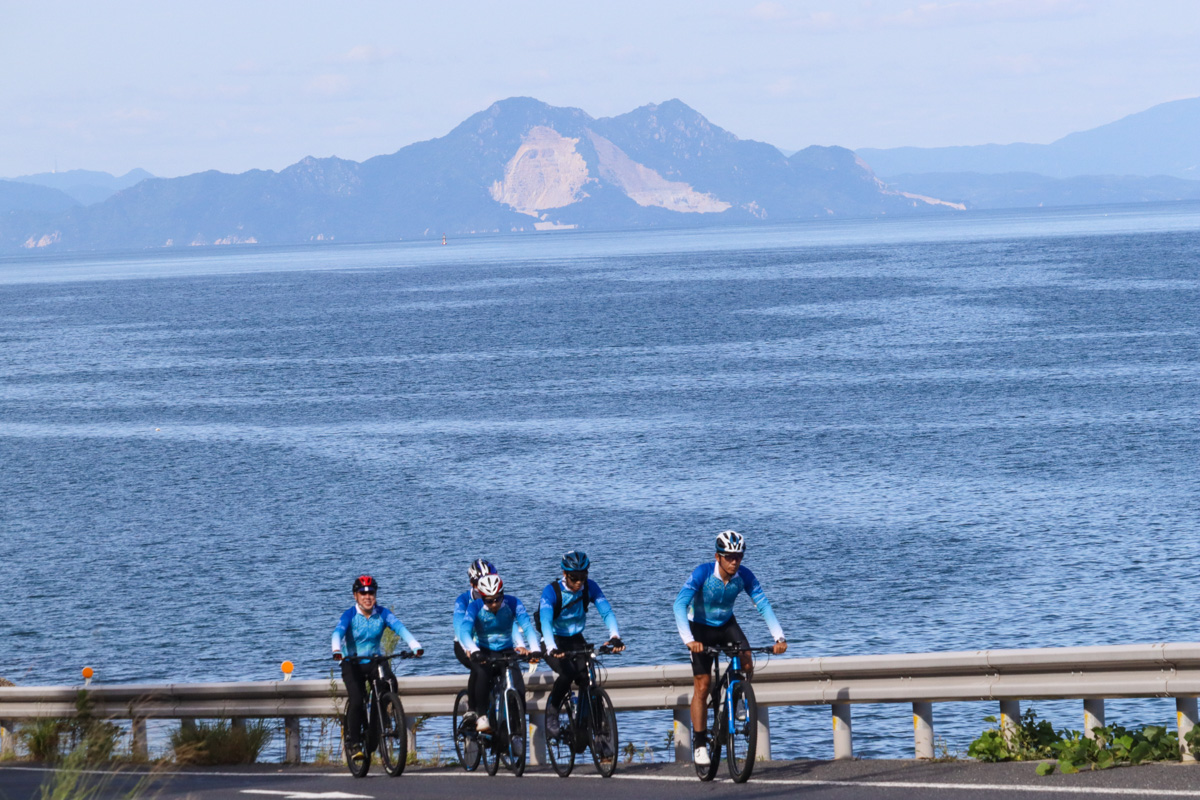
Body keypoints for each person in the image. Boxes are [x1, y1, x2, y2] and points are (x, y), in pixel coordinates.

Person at [672, 531, 787, 766]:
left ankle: (738, 698)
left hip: (726, 625)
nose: (734, 562)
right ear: (718, 556)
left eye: (739, 557)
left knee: (746, 661)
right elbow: (679, 604)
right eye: (729, 557)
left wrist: (779, 637)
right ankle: (700, 744)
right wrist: (688, 640)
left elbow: (762, 604)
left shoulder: (744, 576)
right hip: (700, 629)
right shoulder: (703, 573)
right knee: (703, 685)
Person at [331, 575, 423, 758]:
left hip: (374, 660)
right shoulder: (349, 615)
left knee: (390, 682)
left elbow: (400, 628)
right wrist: (336, 649)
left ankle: (380, 720)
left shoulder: (382, 613)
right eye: (363, 593)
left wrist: (415, 646)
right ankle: (354, 742)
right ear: (355, 596)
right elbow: (338, 632)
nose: (367, 597)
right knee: (357, 700)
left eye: (371, 593)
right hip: (352, 663)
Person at [539, 550, 624, 737]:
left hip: (575, 638)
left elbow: (606, 612)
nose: (578, 583)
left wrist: (615, 636)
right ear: (564, 574)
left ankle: (596, 727)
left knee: (588, 678)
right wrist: (552, 648)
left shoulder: (589, 587)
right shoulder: (551, 592)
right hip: (552, 639)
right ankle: (553, 710)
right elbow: (545, 621)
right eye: (574, 578)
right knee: (568, 673)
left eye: (582, 577)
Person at [455, 573, 539, 732]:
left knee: (519, 690)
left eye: (497, 599)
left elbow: (527, 627)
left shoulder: (513, 603)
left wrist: (534, 649)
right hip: (483, 650)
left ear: (502, 594)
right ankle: (481, 716)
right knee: (483, 674)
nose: (494, 604)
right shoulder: (475, 607)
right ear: (482, 597)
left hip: (506, 650)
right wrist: (473, 650)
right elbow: (465, 631)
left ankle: (514, 732)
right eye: (489, 600)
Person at [453, 558, 497, 712]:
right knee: (479, 668)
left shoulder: (496, 597)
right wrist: (468, 647)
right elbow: (459, 626)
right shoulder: (464, 600)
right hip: (464, 644)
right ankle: (473, 711)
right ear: (472, 584)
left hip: (488, 643)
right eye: (481, 582)